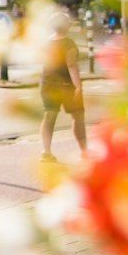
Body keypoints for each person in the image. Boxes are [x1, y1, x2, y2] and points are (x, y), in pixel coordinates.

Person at [41, 28, 88, 163]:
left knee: (49, 116)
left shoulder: (46, 42)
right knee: (78, 116)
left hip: (48, 84)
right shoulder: (68, 43)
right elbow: (71, 65)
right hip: (67, 85)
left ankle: (46, 151)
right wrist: (78, 86)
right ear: (67, 26)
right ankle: (84, 152)